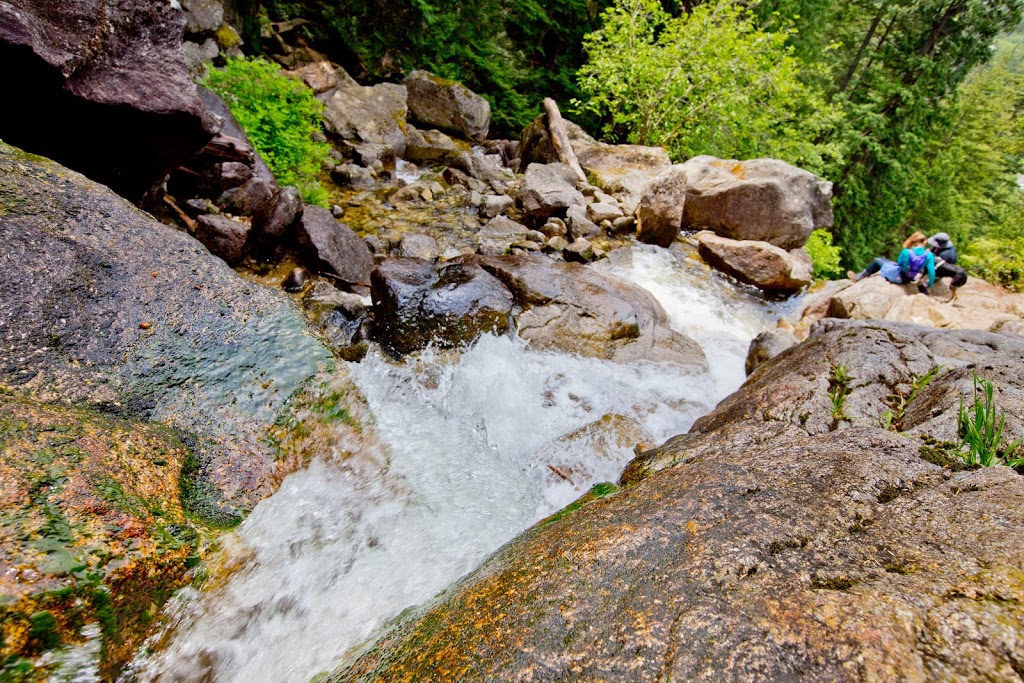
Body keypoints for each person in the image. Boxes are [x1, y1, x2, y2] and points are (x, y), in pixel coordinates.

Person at [847, 231, 936, 294]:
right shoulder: (929, 255)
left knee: (877, 260)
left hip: (898, 277)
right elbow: (932, 273)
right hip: (909, 278)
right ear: (924, 243)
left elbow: (901, 265)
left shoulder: (906, 252)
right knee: (886, 261)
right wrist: (929, 285)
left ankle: (859, 277)